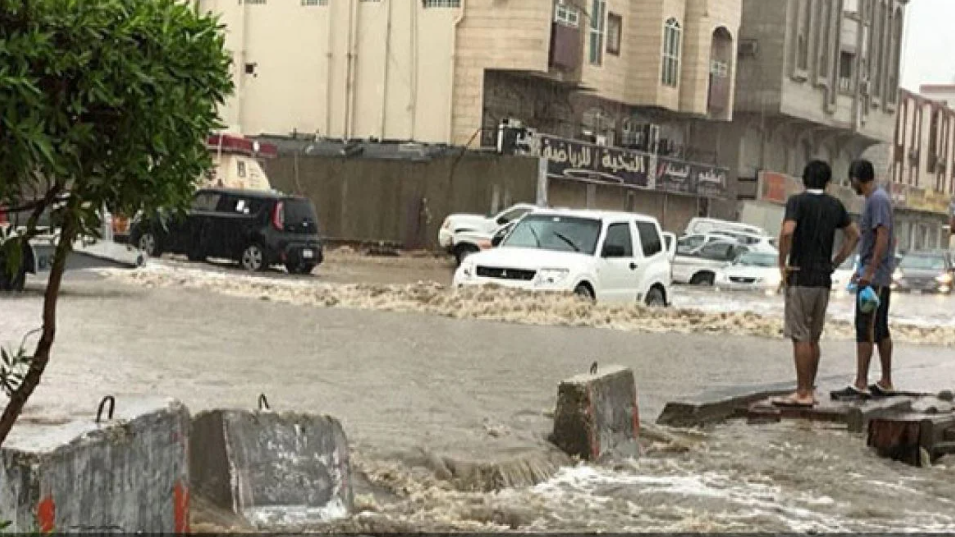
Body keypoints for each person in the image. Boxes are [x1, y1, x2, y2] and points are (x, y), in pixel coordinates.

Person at [775, 160, 860, 407]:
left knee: (799, 336)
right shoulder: (835, 205)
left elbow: (788, 231)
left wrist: (783, 262)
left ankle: (802, 393)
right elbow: (854, 234)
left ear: (804, 179)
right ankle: (809, 389)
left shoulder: (797, 202)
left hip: (801, 275)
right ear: (828, 183)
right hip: (823, 278)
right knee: (813, 337)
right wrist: (836, 262)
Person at [831, 159, 897, 400]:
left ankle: (861, 382)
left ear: (857, 179)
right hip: (876, 273)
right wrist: (860, 268)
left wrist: (869, 271)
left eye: (852, 181)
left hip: (875, 278)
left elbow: (883, 236)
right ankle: (886, 381)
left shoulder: (877, 200)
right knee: (879, 328)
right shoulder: (878, 199)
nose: (852, 186)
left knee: (866, 327)